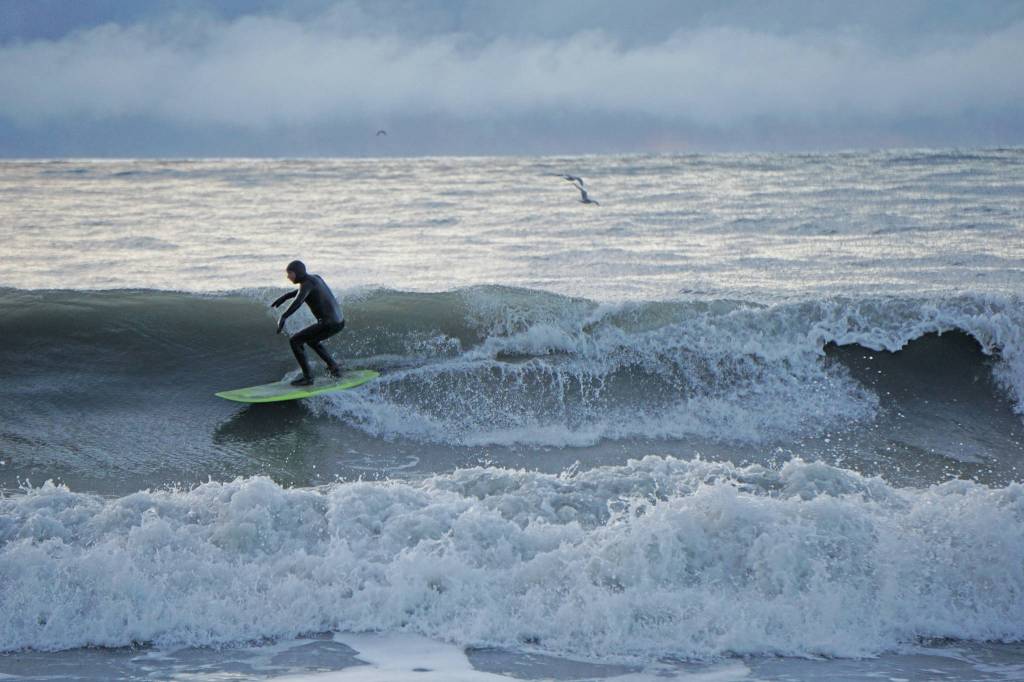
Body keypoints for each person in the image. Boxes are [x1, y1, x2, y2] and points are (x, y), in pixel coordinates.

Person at [271, 260, 345, 386]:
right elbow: (302, 292)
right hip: (339, 321)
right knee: (312, 340)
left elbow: (299, 300)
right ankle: (334, 367)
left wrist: (283, 316)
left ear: (298, 273)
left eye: (290, 273)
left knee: (295, 341)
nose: (288, 277)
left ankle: (308, 377)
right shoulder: (315, 278)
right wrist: (285, 296)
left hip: (328, 323)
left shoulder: (306, 285)